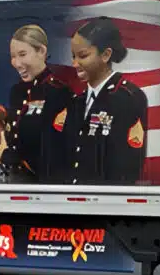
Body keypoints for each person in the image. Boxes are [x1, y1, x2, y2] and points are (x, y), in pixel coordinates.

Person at [57, 16, 148, 185]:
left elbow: (128, 167)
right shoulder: (77, 101)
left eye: (82, 56)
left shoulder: (128, 97)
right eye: (73, 56)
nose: (75, 64)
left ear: (105, 55)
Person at [0, 24, 73, 183]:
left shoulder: (57, 92)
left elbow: (53, 152)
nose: (16, 62)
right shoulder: (17, 91)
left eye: (22, 54)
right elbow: (16, 140)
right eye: (13, 56)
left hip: (45, 189)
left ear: (41, 51)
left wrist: (4, 155)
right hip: (15, 183)